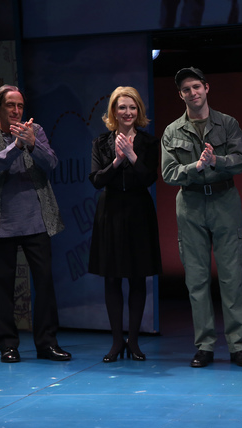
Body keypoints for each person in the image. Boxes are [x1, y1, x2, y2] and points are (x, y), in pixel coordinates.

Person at [161, 67, 242, 368]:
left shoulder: (227, 124)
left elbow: (240, 161)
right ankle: (205, 346)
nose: (192, 93)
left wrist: (216, 161)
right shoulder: (173, 131)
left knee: (232, 277)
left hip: (224, 201)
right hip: (190, 205)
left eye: (196, 86)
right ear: (181, 95)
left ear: (207, 88)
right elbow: (168, 173)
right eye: (186, 89)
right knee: (196, 280)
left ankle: (237, 346)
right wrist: (196, 168)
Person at [0, 84, 71, 363]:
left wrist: (30, 143)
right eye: (10, 106)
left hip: (36, 220)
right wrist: (16, 148)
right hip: (1, 222)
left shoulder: (34, 131)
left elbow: (51, 163)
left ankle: (47, 343)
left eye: (20, 106)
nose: (16, 111)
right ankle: (8, 345)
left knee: (44, 283)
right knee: (2, 285)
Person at [88, 86, 162, 363]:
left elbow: (149, 178)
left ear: (138, 111)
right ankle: (117, 341)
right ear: (114, 112)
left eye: (132, 107)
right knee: (112, 277)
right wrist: (117, 161)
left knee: (138, 276)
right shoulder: (100, 143)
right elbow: (96, 180)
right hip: (110, 212)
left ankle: (134, 341)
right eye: (122, 107)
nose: (127, 112)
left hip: (138, 211)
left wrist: (131, 155)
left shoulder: (149, 143)